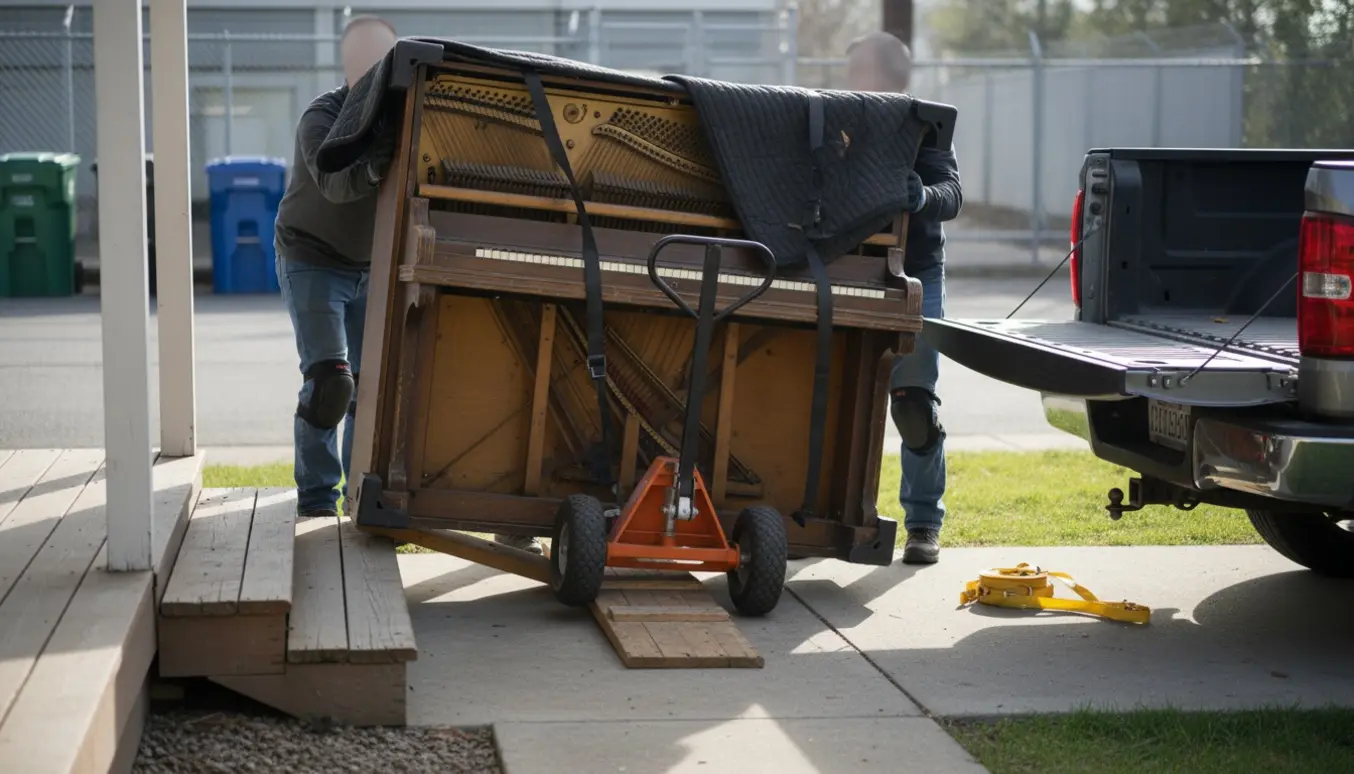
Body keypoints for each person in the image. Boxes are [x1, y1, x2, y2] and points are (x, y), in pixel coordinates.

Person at [274, 16, 544, 554]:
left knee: (369, 389)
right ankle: (316, 502)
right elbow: (335, 184)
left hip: (370, 262)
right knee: (331, 383)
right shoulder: (321, 118)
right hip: (312, 257)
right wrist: (379, 164)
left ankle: (357, 498)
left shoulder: (406, 116)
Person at [845, 31, 963, 565]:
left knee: (912, 405)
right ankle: (824, 518)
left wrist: (919, 194)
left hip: (916, 277)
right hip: (850, 273)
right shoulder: (838, 120)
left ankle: (922, 525)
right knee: (836, 401)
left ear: (891, 77)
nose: (851, 80)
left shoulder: (929, 128)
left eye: (859, 70)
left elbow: (951, 195)